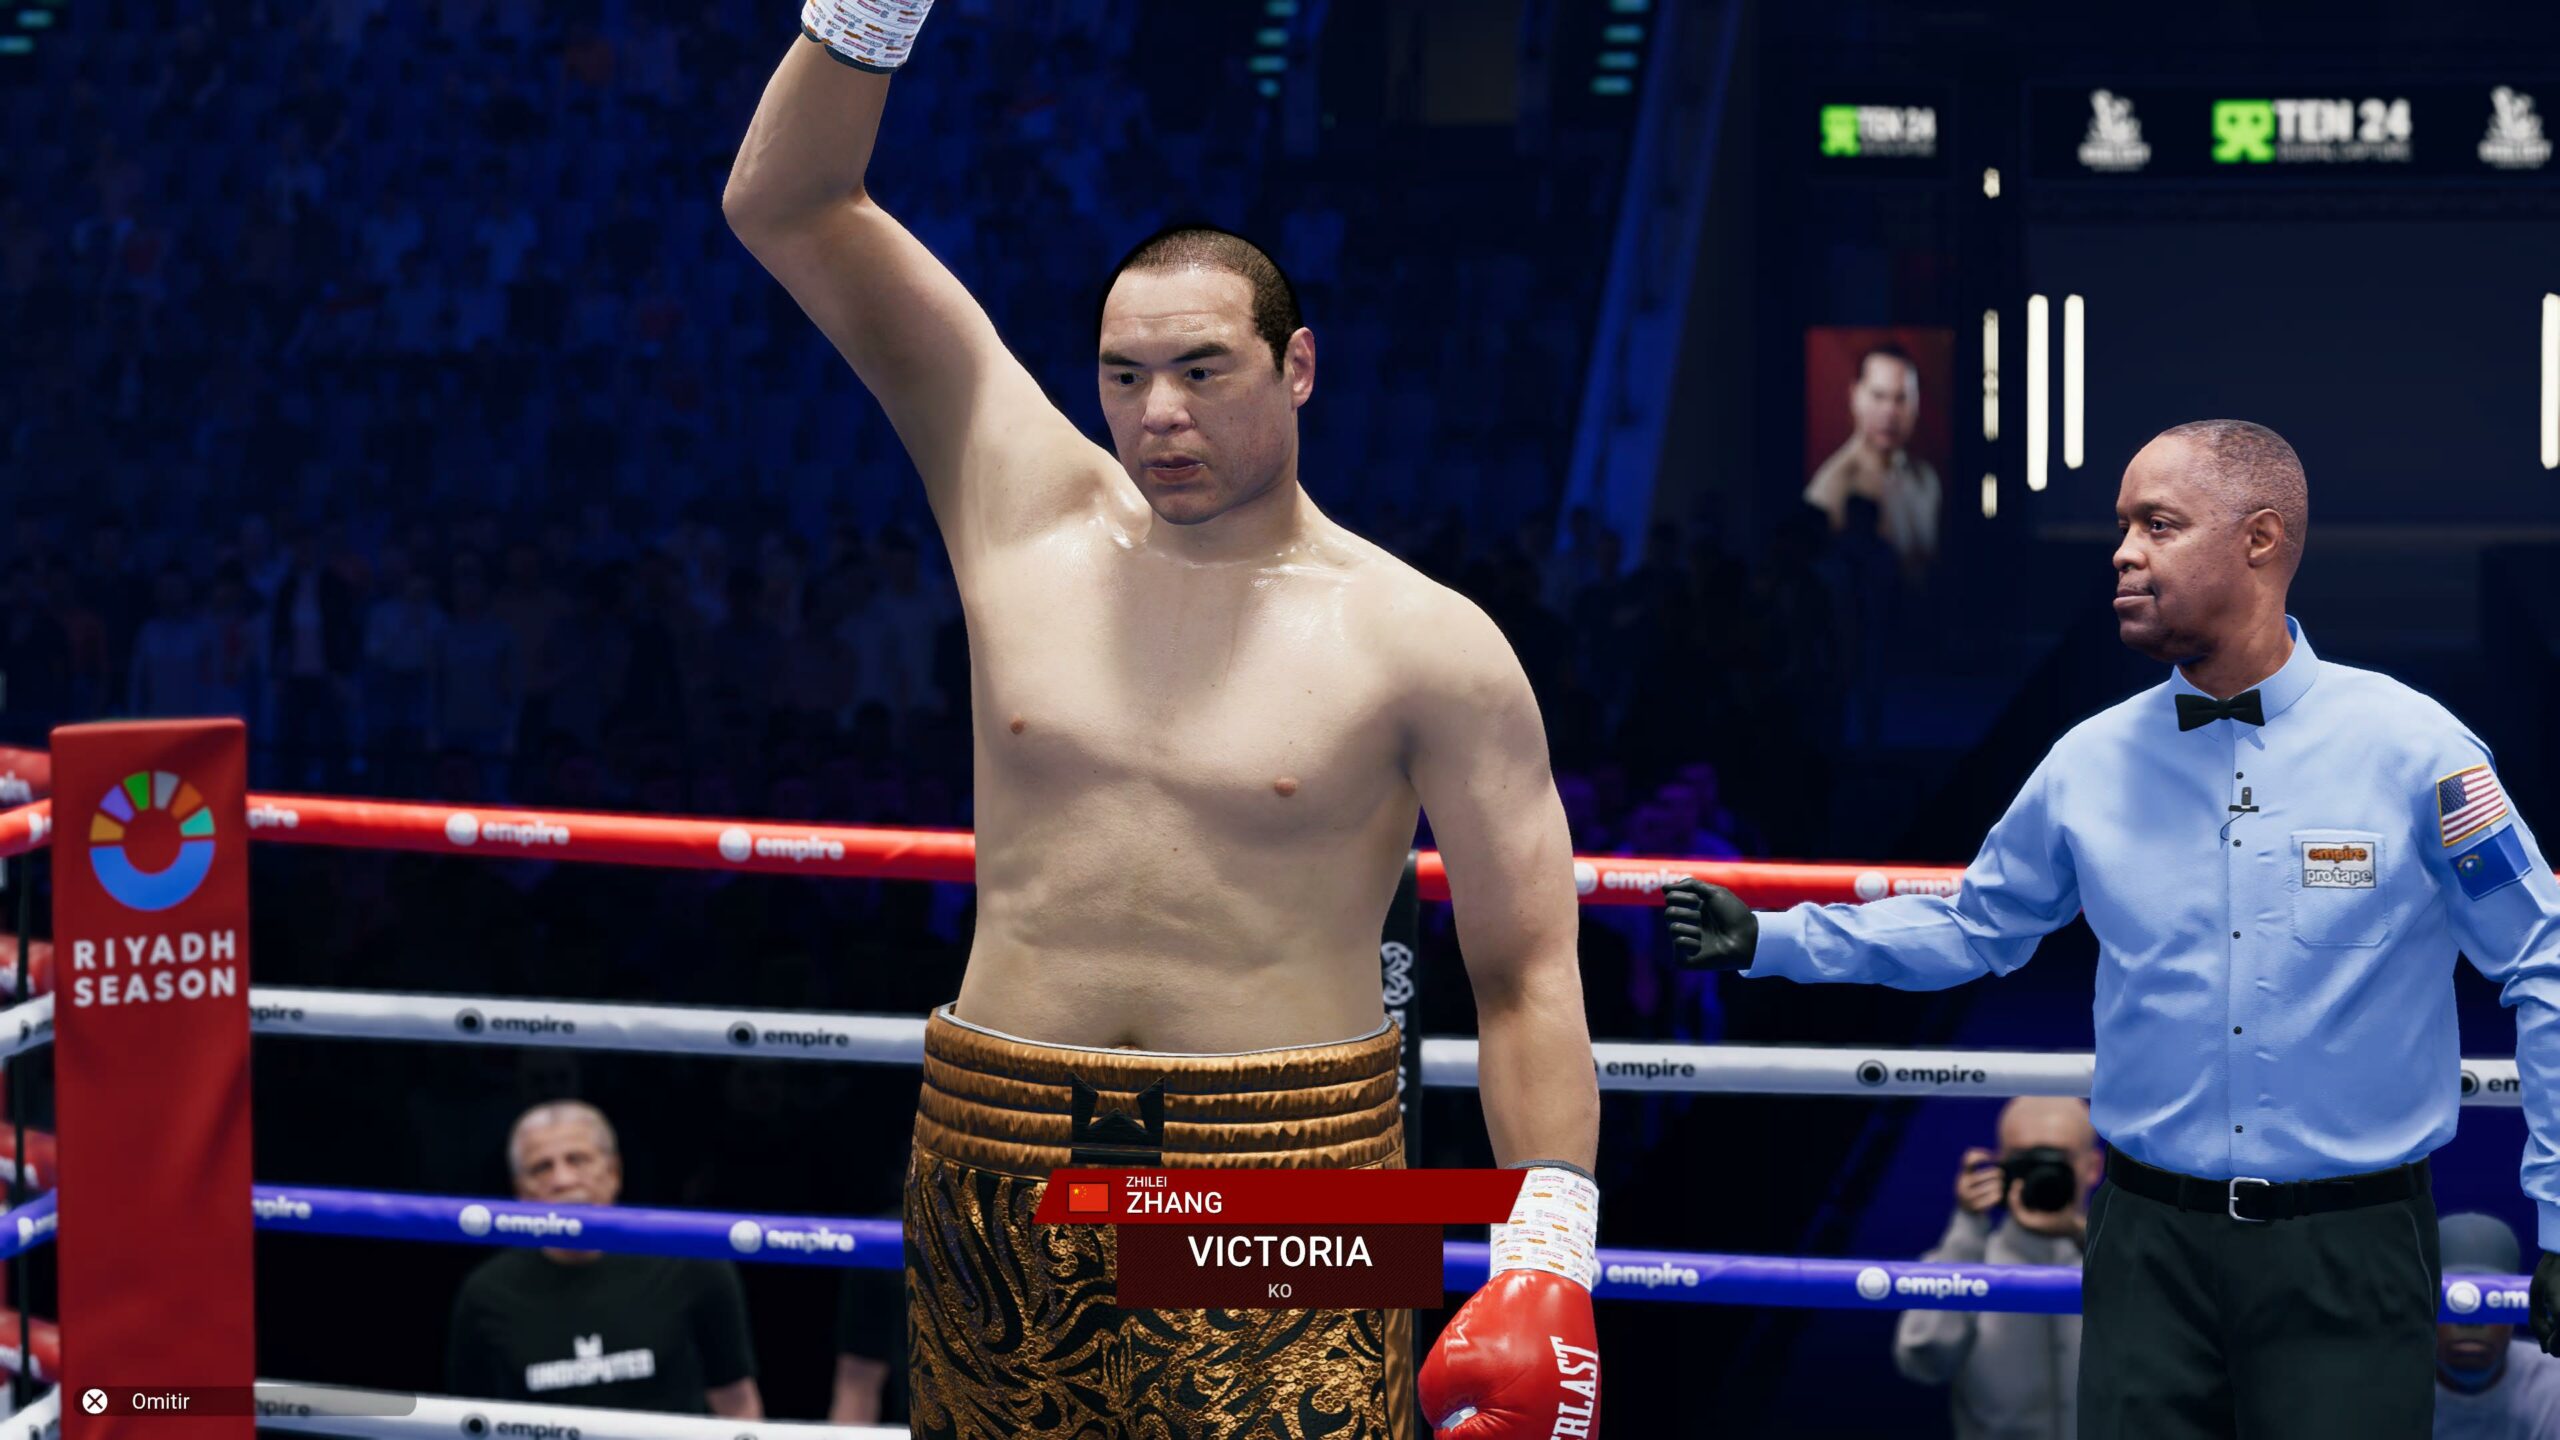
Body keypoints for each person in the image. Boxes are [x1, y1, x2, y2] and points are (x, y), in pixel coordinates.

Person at [723, 10, 1602, 1439]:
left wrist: (1549, 1257)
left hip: (1293, 1169)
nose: (1159, 416)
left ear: (1297, 367)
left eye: (1203, 369)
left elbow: (1525, 975)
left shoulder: (1426, 642)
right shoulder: (1022, 507)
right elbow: (792, 203)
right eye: (1124, 377)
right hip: (1003, 1141)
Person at [1665, 419, 2560, 1439]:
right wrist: (1774, 939)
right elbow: (1975, 926)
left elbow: (2544, 961)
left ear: (2260, 540)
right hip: (2145, 1244)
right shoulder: (2086, 762)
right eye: (2123, 526)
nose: (2123, 553)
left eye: (2158, 525)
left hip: (2350, 1246)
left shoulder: (2416, 750)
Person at [446, 1101, 763, 1417]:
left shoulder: (689, 1265)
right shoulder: (487, 1293)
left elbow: (737, 1405)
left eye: (577, 1160)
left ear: (613, 1172)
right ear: (521, 1193)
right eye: (541, 1168)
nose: (563, 1180)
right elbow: (469, 1421)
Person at [1894, 1098, 2104, 1440]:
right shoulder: (1964, 1261)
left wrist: (2085, 1236)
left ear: (2092, 1167)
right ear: (2000, 1167)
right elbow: (1923, 1361)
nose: (2042, 1173)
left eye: (2058, 1160)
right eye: (2026, 1160)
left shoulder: (2127, 1266)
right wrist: (1967, 1228)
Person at [1802, 343, 1942, 577]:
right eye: (1878, 396)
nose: (1889, 411)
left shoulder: (1926, 479)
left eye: (1901, 398)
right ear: (1855, 396)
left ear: (1917, 403)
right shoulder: (1832, 487)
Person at [2434, 1212, 2560, 1438]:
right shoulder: (2382, 1384)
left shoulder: (2554, 1386)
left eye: (2491, 1300)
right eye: (2454, 1302)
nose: (2472, 1322)